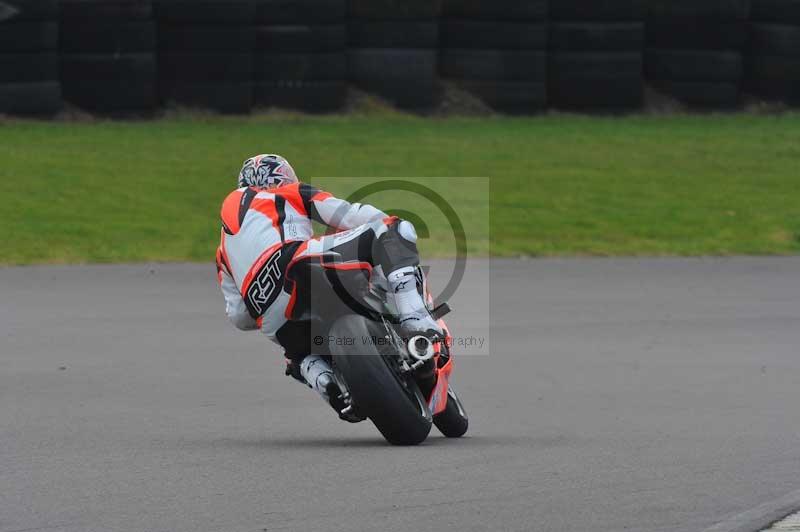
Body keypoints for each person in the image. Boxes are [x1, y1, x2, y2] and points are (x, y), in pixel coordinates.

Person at [215, 154, 441, 419]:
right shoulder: (288, 192)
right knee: (394, 229)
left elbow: (239, 317)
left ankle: (325, 381)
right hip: (294, 261)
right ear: (283, 178)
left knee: (296, 356)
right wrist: (385, 244)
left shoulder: (222, 251)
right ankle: (416, 320)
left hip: (270, 315)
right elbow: (352, 216)